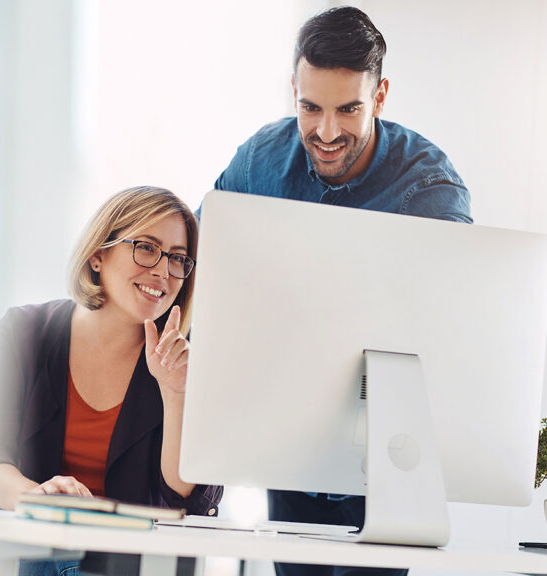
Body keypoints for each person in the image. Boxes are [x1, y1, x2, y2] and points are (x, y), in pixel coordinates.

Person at [212, 6, 471, 576]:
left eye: (348, 109)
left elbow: (453, 321)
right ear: (294, 92)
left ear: (379, 96)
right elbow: (207, 262)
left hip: (386, 451)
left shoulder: (429, 188)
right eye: (311, 108)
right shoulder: (259, 163)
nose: (327, 133)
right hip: (290, 437)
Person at [0, 186, 222, 576]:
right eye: (146, 248)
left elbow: (186, 499)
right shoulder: (25, 332)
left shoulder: (185, 359)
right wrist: (39, 500)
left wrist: (175, 393)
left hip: (129, 560)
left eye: (177, 258)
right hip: (28, 547)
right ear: (98, 255)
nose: (163, 271)